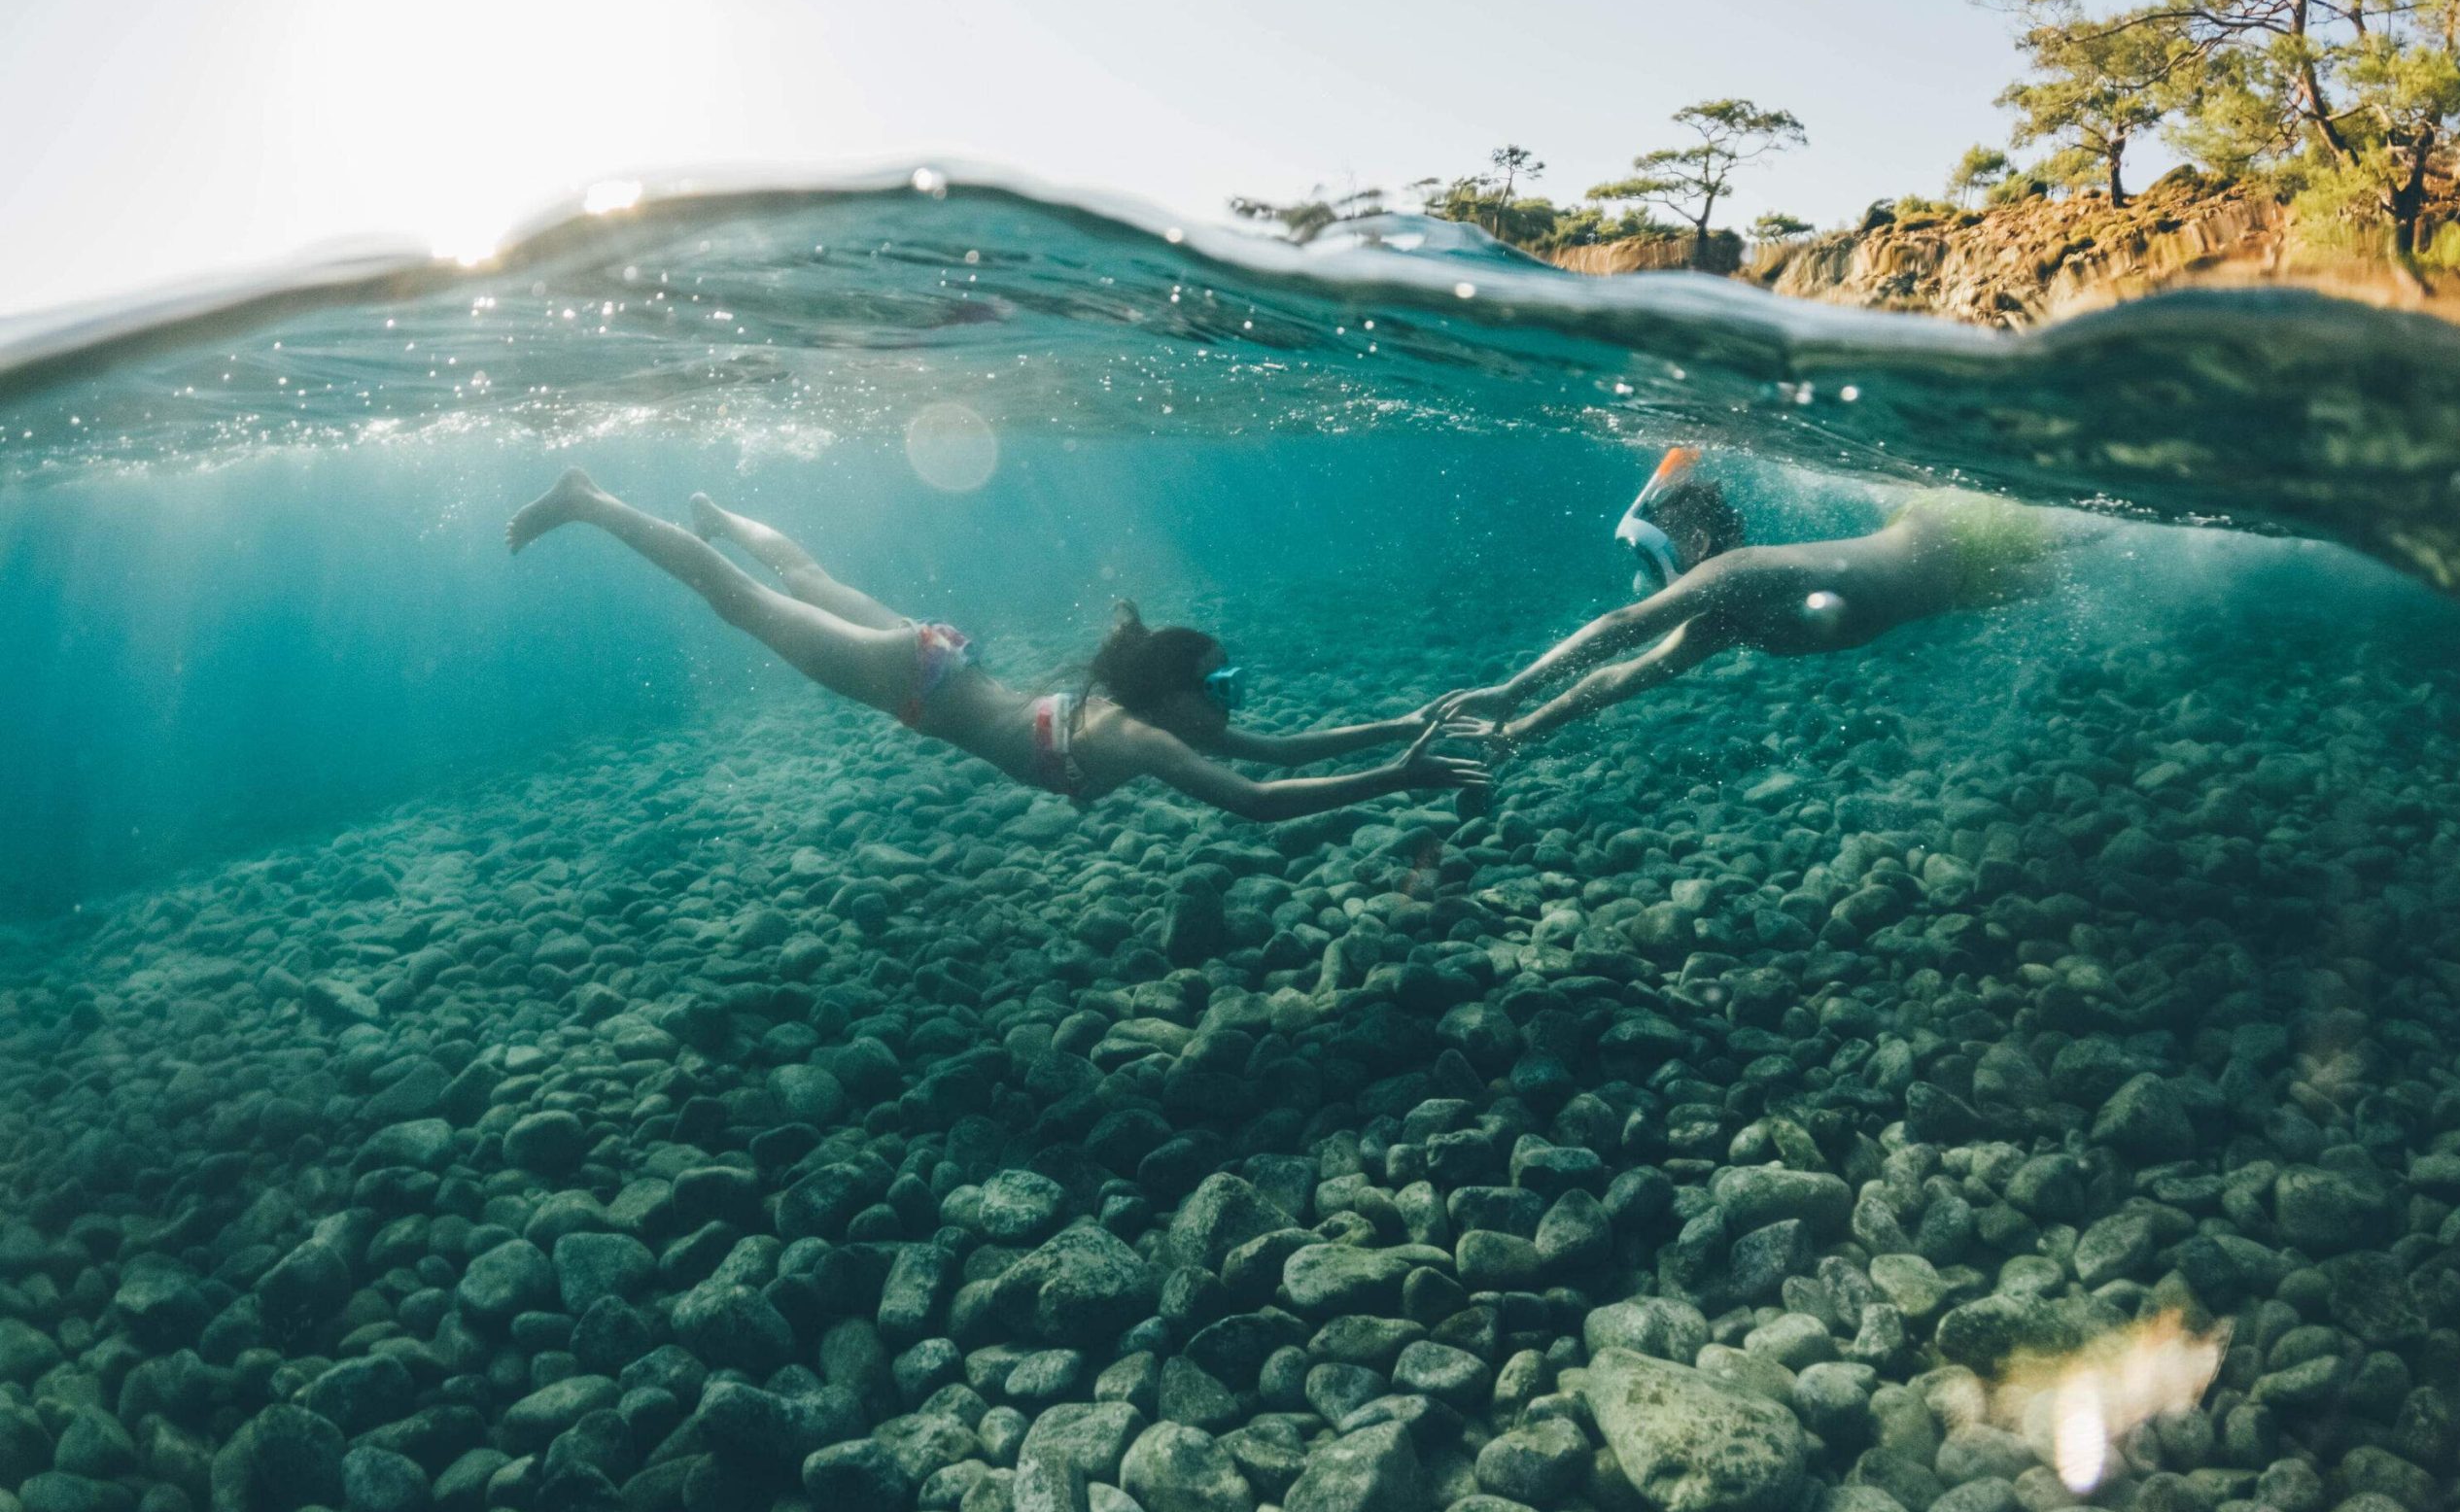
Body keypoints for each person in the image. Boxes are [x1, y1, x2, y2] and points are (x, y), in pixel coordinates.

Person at [506, 468, 1487, 820]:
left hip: (938, 662)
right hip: (920, 680)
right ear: (1169, 694)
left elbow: (1275, 755)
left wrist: (1407, 724)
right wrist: (1398, 778)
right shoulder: (1144, 739)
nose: (1229, 701)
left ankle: (721, 510)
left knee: (800, 579)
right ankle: (590, 500)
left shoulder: (1152, 720)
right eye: (1218, 683)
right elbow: (1265, 801)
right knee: (744, 605)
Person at [1450, 448, 2059, 745]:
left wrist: (1510, 691)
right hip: (1965, 587)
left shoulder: (1739, 571)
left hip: (1955, 531)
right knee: (2066, 563)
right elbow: (1624, 677)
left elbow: (1623, 624)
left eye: (1653, 550)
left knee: (2082, 533)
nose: (1648, 572)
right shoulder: (1725, 618)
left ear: (1699, 538)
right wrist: (1519, 733)